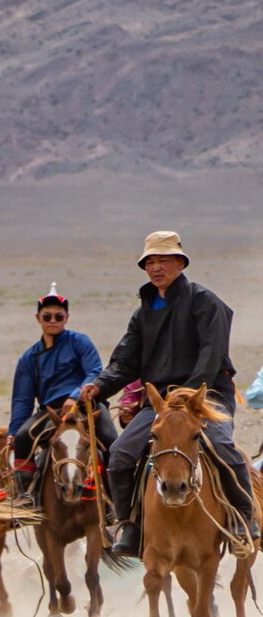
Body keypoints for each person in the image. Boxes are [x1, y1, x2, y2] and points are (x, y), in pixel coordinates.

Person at [79, 230, 255, 558]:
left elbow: (211, 353)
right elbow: (125, 361)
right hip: (161, 400)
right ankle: (130, 526)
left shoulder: (206, 302)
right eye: (150, 261)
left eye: (163, 260)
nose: (156, 267)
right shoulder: (143, 313)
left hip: (207, 393)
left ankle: (243, 521)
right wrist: (100, 385)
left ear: (180, 262)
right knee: (120, 454)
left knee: (221, 445)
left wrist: (190, 394)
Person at [8, 287, 115, 502]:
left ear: (66, 318)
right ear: (38, 318)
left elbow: (94, 371)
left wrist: (75, 395)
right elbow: (23, 399)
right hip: (51, 411)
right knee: (22, 437)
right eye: (47, 316)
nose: (53, 320)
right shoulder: (29, 358)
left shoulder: (80, 342)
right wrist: (13, 430)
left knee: (113, 443)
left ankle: (118, 500)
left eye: (59, 316)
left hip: (86, 405)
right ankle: (25, 497)